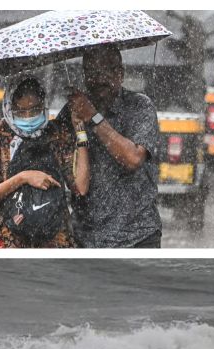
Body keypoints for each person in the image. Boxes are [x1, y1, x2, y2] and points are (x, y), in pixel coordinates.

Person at [0, 74, 90, 248]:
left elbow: (80, 188)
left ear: (44, 106)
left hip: (55, 238)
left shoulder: (57, 135)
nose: (29, 117)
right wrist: (23, 178)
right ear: (8, 107)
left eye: (35, 110)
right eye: (21, 111)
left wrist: (80, 131)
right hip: (10, 241)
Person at [64, 44, 162, 247]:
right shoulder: (73, 110)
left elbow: (132, 158)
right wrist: (1, 128)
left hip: (136, 237)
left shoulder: (139, 106)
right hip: (86, 238)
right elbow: (43, 144)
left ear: (121, 73)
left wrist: (93, 117)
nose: (100, 78)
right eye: (92, 71)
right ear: (84, 75)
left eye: (108, 70)